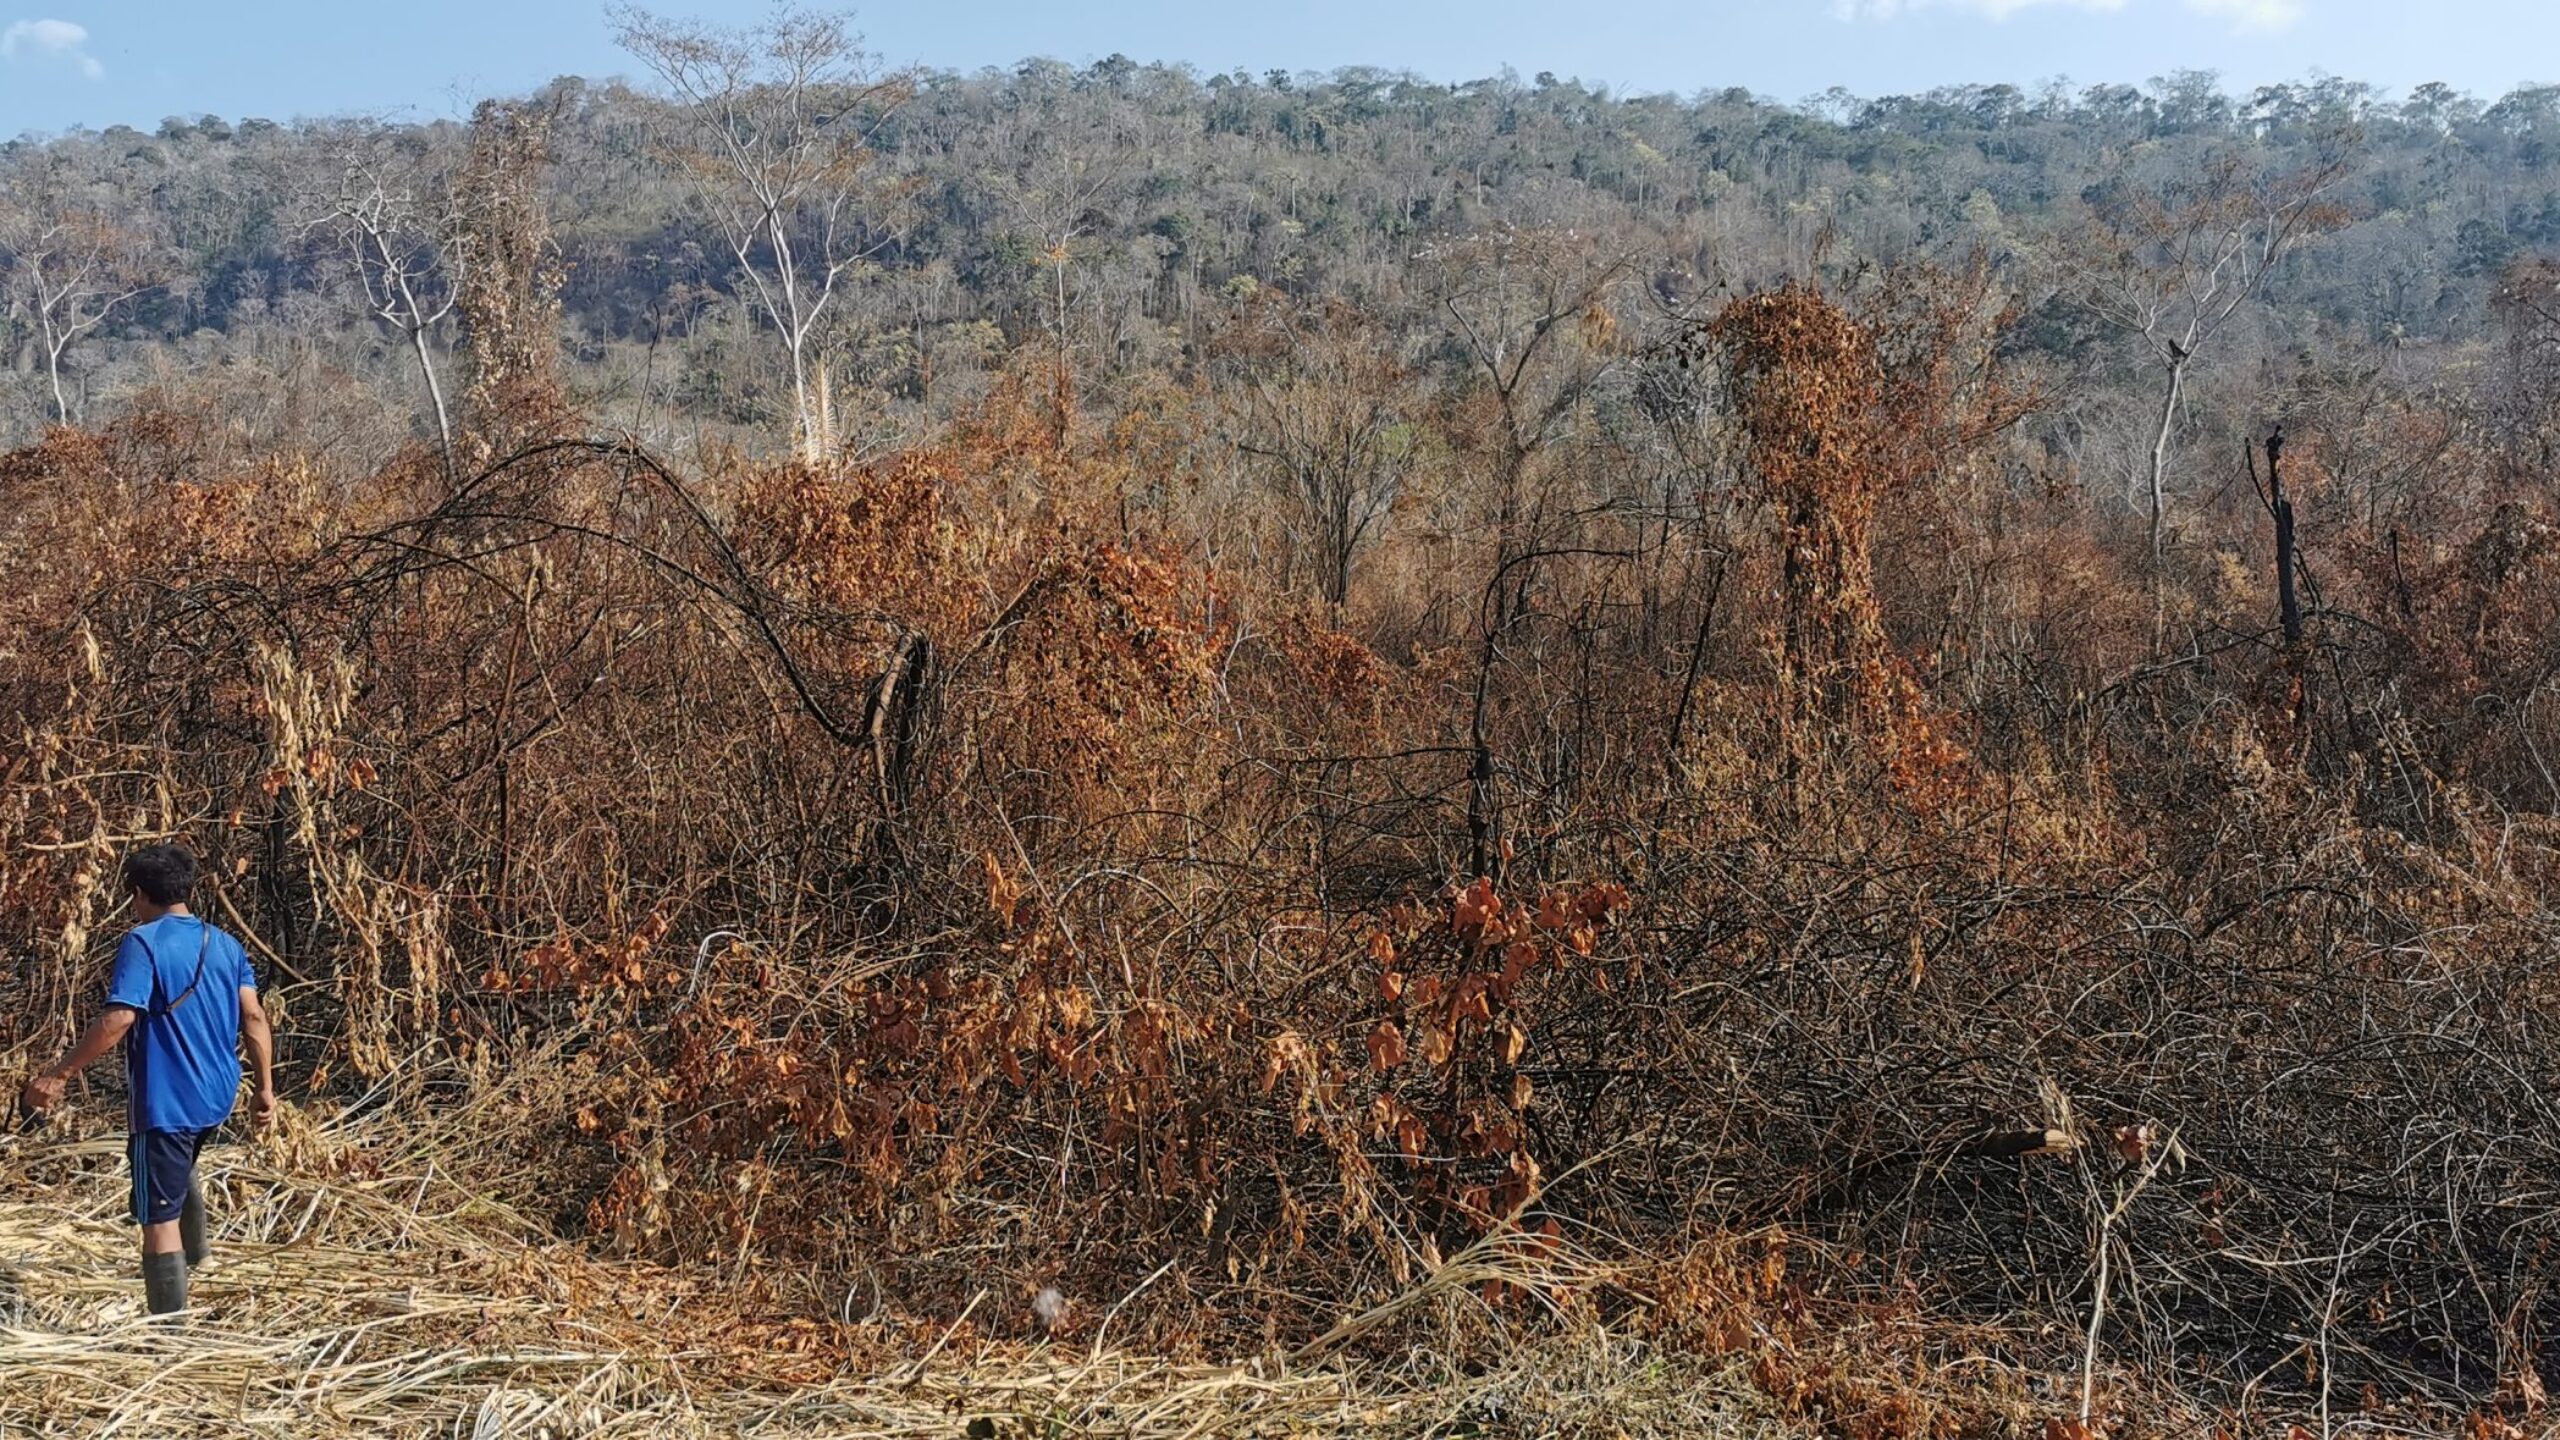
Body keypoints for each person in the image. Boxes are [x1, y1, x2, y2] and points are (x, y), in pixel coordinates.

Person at [17, 843, 275, 1316]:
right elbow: (254, 1017)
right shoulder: (224, 943)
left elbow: (118, 1021)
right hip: (217, 1092)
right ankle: (202, 1263)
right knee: (181, 1168)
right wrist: (264, 1087)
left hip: (166, 1099)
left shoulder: (143, 942)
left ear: (138, 894)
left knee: (157, 1214)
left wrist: (59, 1075)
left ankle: (167, 1333)